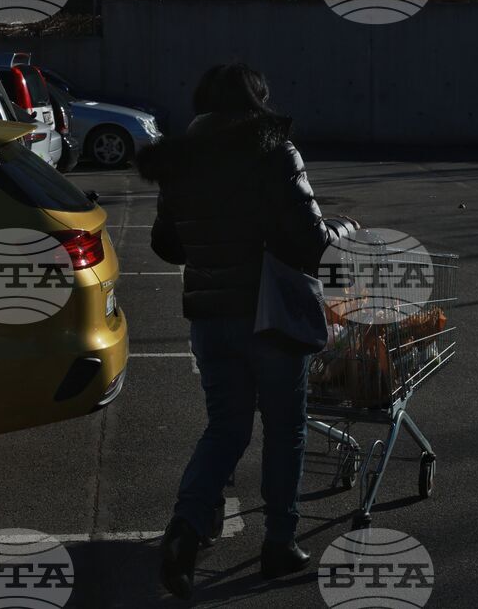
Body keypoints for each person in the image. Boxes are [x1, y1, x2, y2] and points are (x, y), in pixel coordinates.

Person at [136, 63, 354, 599]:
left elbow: (167, 244)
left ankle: (185, 531)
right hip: (271, 317)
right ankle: (279, 543)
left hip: (211, 319)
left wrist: (209, 244)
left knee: (226, 429)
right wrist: (342, 229)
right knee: (285, 429)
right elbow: (312, 244)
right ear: (258, 100)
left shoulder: (180, 159)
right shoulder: (274, 152)